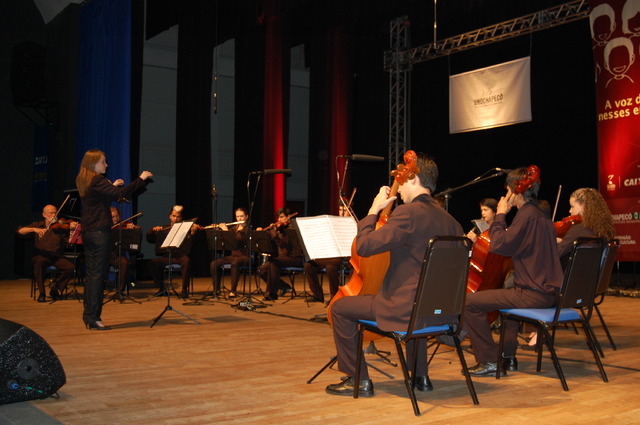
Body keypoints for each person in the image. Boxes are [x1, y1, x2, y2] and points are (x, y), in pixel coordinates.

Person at [325, 153, 463, 397]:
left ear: (413, 178)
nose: (398, 189)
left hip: (404, 312)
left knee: (340, 308)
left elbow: (365, 247)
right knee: (420, 298)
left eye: (400, 181)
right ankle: (420, 377)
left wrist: (373, 210)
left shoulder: (407, 214)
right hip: (443, 314)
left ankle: (357, 379)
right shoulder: (452, 222)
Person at [462, 167, 564, 376]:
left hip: (532, 294)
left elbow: (498, 245)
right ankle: (507, 357)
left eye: (507, 190)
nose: (505, 195)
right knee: (506, 297)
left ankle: (489, 361)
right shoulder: (540, 215)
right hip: (550, 293)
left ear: (515, 191)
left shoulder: (526, 216)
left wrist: (500, 214)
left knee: (469, 303)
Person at [76, 149, 152, 330]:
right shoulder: (97, 179)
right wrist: (141, 179)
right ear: (93, 164)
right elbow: (120, 195)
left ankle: (89, 316)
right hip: (100, 232)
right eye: (103, 162)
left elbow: (104, 193)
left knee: (92, 275)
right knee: (97, 276)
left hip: (88, 231)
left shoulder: (85, 180)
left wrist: (112, 185)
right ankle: (94, 317)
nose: (106, 165)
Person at [17, 205, 76, 302]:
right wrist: (34, 229)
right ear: (44, 215)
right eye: (51, 213)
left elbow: (69, 244)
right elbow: (20, 231)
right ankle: (42, 293)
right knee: (39, 263)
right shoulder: (38, 225)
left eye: (55, 213)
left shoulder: (60, 228)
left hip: (57, 257)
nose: (53, 215)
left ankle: (56, 288)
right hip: (41, 255)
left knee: (71, 268)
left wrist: (72, 231)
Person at [147, 205, 197, 299]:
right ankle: (162, 288)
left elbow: (190, 246)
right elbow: (150, 239)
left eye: (178, 217)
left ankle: (184, 290)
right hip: (167, 256)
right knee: (152, 263)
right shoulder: (164, 228)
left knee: (186, 261)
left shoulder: (185, 229)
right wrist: (152, 231)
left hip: (180, 256)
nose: (175, 219)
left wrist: (193, 233)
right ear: (170, 216)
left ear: (181, 218)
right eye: (174, 216)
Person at [556, 187, 615, 267]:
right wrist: (564, 241)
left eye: (572, 206)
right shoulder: (602, 229)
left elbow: (555, 255)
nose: (570, 211)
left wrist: (551, 243)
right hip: (591, 277)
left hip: (573, 278)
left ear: (583, 206)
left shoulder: (578, 229)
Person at [257, 207, 302, 301]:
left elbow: (282, 244)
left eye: (282, 217)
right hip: (281, 259)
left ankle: (271, 293)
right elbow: (268, 238)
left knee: (273, 262)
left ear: (288, 217)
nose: (279, 220)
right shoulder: (279, 229)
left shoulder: (292, 228)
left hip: (294, 258)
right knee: (261, 270)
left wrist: (274, 232)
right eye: (278, 217)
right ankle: (284, 286)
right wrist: (261, 232)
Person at [209, 207, 250, 298]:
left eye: (242, 216)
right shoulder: (234, 229)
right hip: (234, 256)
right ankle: (216, 290)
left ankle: (233, 290)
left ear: (246, 217)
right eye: (237, 216)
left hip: (245, 256)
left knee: (235, 263)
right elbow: (226, 241)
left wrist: (226, 231)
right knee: (214, 263)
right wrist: (218, 229)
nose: (239, 219)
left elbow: (236, 241)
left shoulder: (248, 230)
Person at [110, 206, 140, 299]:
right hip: (105, 256)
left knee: (125, 262)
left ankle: (120, 290)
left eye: (117, 216)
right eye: (113, 217)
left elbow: (133, 240)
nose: (115, 219)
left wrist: (131, 230)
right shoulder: (104, 226)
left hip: (118, 256)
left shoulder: (123, 226)